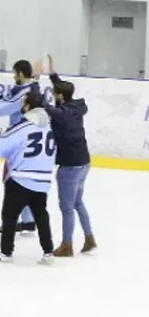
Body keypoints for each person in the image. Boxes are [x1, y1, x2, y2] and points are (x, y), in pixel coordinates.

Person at [0, 90, 56, 265]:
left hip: (20, 179)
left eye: (23, 103)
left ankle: (6, 253)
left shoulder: (22, 127)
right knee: (41, 216)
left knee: (9, 216)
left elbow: (1, 143)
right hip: (42, 181)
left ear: (28, 106)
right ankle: (48, 252)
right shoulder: (49, 126)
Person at [0, 59, 41, 234]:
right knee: (25, 179)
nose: (14, 77)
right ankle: (28, 220)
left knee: (12, 181)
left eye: (14, 73)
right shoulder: (34, 87)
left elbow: (4, 108)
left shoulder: (23, 92)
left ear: (20, 73)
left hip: (19, 140)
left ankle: (10, 222)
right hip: (31, 138)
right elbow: (11, 97)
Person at [44, 55, 95, 256]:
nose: (54, 96)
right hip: (84, 162)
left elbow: (44, 106)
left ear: (59, 96)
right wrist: (53, 74)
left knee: (67, 207)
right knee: (77, 203)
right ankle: (89, 238)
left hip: (70, 166)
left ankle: (67, 245)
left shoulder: (62, 113)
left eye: (55, 94)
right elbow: (63, 93)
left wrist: (32, 86)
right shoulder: (75, 107)